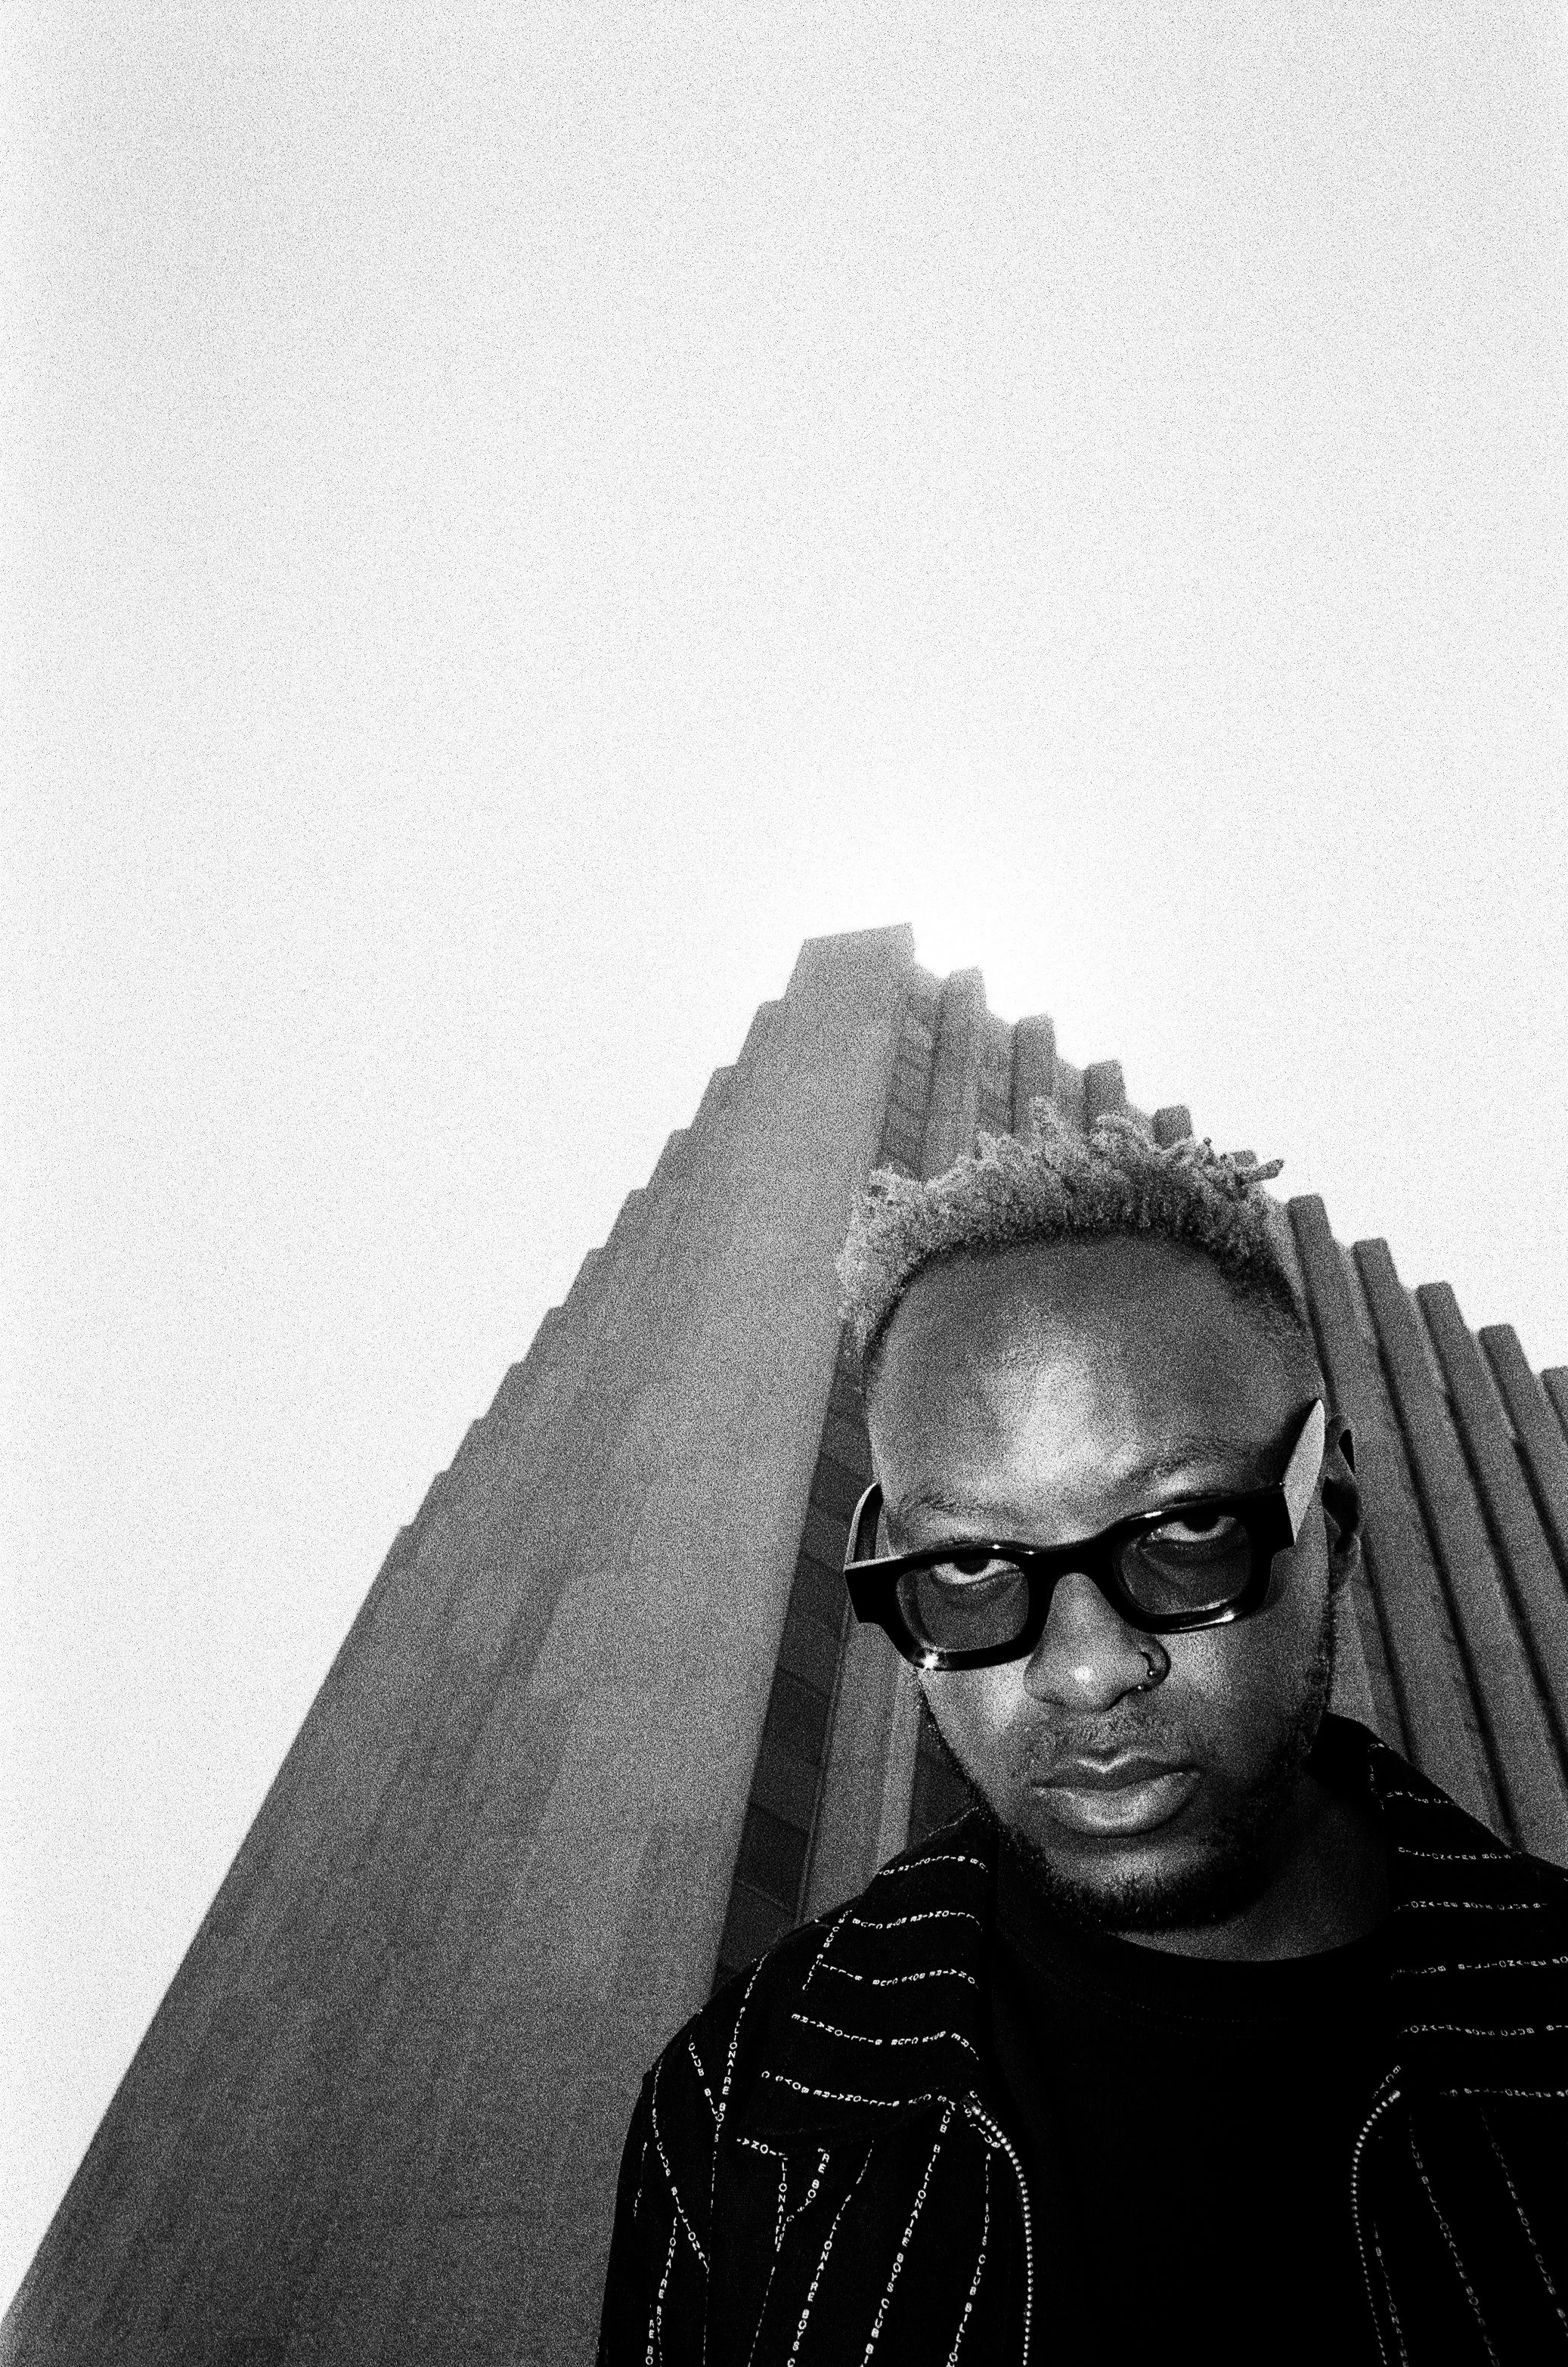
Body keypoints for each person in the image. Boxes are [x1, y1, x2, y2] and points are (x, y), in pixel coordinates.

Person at [597, 1112, 1568, 2365]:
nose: (1089, 1667)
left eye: (1179, 1529)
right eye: (966, 1561)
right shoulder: (741, 2103)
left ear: (1330, 1514)